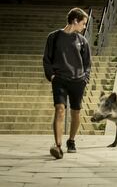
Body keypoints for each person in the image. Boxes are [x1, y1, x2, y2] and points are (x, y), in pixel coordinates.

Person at [43, 8, 92, 159]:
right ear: (75, 21)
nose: (84, 27)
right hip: (60, 80)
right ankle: (57, 146)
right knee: (60, 109)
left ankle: (71, 141)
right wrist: (51, 76)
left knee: (75, 112)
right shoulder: (54, 37)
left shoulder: (82, 41)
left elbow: (87, 63)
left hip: (78, 81)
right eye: (83, 23)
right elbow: (46, 59)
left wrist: (85, 78)